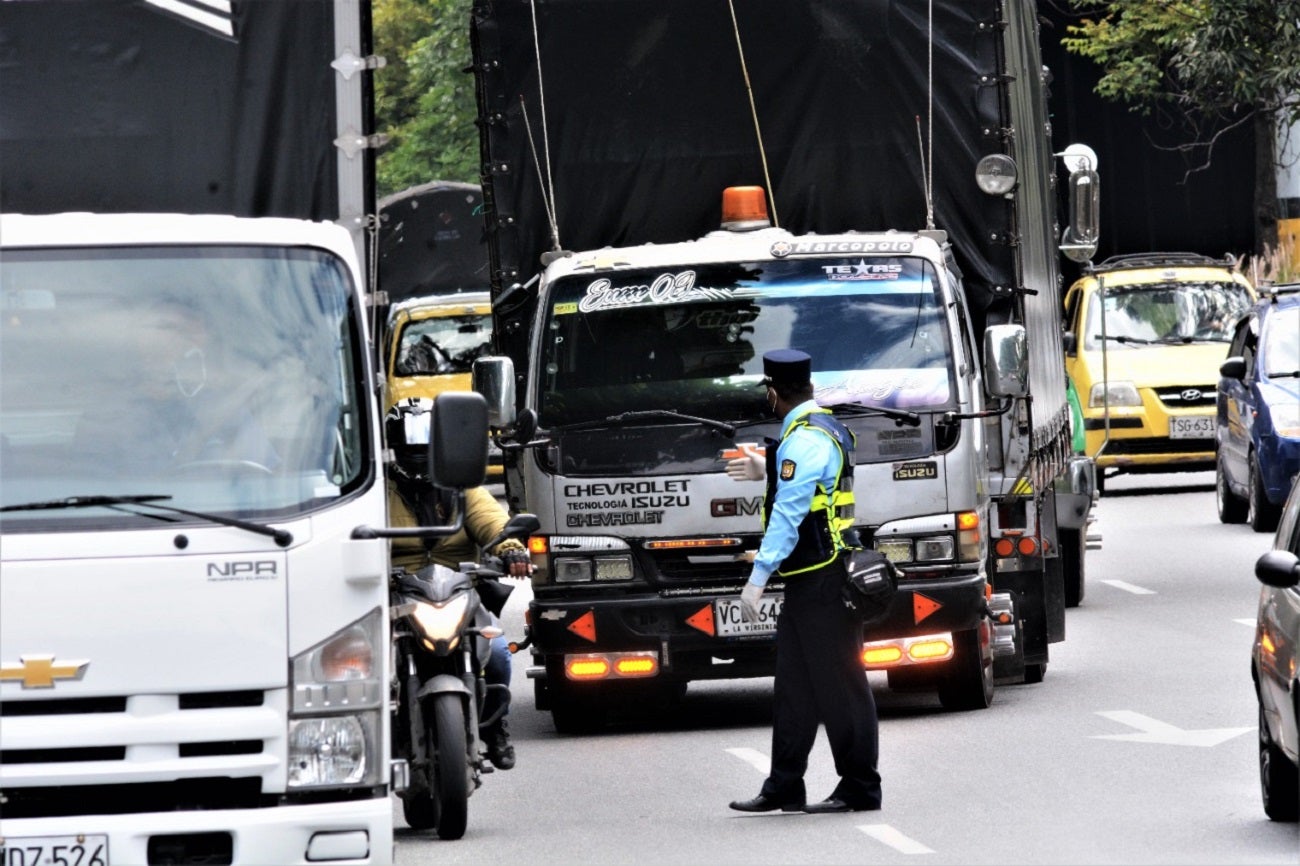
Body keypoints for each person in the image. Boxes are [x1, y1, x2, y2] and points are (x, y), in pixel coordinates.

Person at [727, 349, 882, 814]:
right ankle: (784, 785)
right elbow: (806, 486)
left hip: (824, 581)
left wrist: (757, 578)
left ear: (773, 392)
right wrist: (770, 467)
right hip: (810, 580)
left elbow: (788, 515)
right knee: (794, 687)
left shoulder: (804, 440)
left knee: (841, 687)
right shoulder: (818, 428)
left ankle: (859, 787)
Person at [385, 399, 531, 771]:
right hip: (395, 600)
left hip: (458, 593)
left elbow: (494, 523)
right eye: (409, 450)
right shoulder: (376, 494)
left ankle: (495, 726)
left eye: (426, 449)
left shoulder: (463, 490)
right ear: (392, 449)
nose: (417, 457)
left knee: (496, 653)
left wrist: (512, 549)